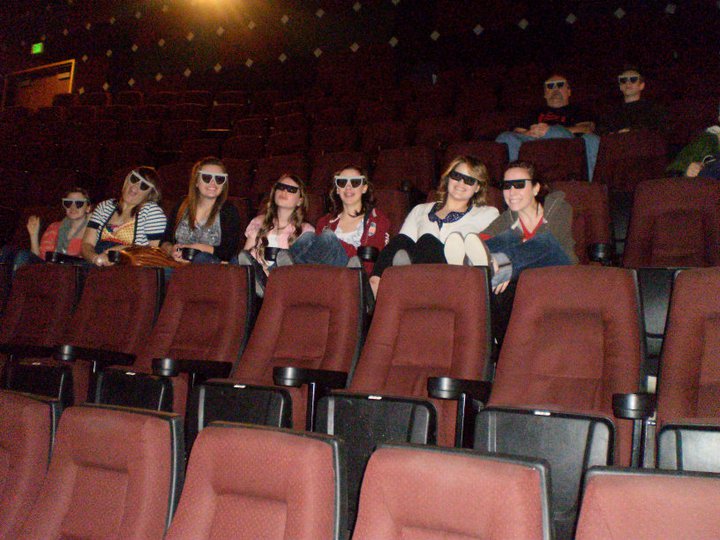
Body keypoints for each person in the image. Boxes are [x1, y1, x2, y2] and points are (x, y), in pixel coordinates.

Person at [461, 160, 577, 345]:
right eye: (507, 186)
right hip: (525, 282)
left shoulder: (558, 207)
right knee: (502, 241)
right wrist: (479, 249)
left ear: (536, 188)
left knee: (544, 241)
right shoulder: (507, 218)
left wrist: (506, 261)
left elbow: (551, 247)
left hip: (559, 273)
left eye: (519, 184)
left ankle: (501, 264)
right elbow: (482, 240)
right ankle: (470, 263)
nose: (511, 192)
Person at [369, 155, 499, 296]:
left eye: (469, 180)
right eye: (456, 176)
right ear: (448, 178)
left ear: (477, 187)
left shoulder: (487, 214)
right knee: (401, 241)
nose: (461, 183)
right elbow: (401, 246)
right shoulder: (420, 210)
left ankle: (406, 284)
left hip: (455, 281)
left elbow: (494, 249)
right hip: (417, 271)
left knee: (428, 241)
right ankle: (375, 290)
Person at [280, 166, 390, 275]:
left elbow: (375, 260)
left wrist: (338, 244)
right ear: (337, 189)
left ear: (364, 188)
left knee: (327, 236)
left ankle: (281, 269)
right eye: (342, 182)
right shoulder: (325, 221)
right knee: (307, 237)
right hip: (324, 274)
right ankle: (283, 270)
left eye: (355, 182)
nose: (348, 187)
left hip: (355, 273)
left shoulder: (377, 219)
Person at [495, 74, 600, 180]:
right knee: (505, 137)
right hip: (534, 138)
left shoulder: (579, 110)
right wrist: (529, 133)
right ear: (545, 93)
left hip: (566, 138)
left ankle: (590, 183)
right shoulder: (533, 112)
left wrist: (550, 130)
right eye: (550, 86)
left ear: (569, 91)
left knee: (588, 138)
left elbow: (586, 128)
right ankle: (514, 181)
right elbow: (518, 131)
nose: (555, 89)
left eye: (560, 85)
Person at [236, 174, 314, 293]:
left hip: (285, 285)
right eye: (281, 187)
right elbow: (245, 257)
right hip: (254, 284)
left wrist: (269, 273)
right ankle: (261, 279)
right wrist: (259, 270)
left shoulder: (306, 231)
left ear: (300, 200)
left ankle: (265, 278)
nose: (284, 191)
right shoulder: (258, 222)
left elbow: (302, 270)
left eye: (291, 190)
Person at [161, 157, 241, 264]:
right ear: (196, 182)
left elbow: (228, 252)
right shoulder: (181, 206)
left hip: (209, 269)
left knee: (202, 258)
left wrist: (197, 248)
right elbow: (165, 241)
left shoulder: (229, 211)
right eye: (206, 177)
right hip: (177, 266)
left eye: (219, 179)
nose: (213, 183)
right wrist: (171, 250)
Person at [82, 167, 167, 266]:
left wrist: (123, 250)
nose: (134, 188)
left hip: (130, 269)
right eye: (134, 179)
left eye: (144, 186)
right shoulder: (104, 207)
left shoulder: (151, 211)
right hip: (96, 265)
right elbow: (87, 244)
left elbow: (155, 252)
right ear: (126, 179)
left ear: (150, 193)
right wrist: (96, 259)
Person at [598, 67, 667, 134]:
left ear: (641, 85)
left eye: (633, 79)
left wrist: (632, 133)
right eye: (623, 80)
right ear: (620, 86)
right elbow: (603, 133)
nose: (628, 83)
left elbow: (659, 132)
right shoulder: (611, 112)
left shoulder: (653, 110)